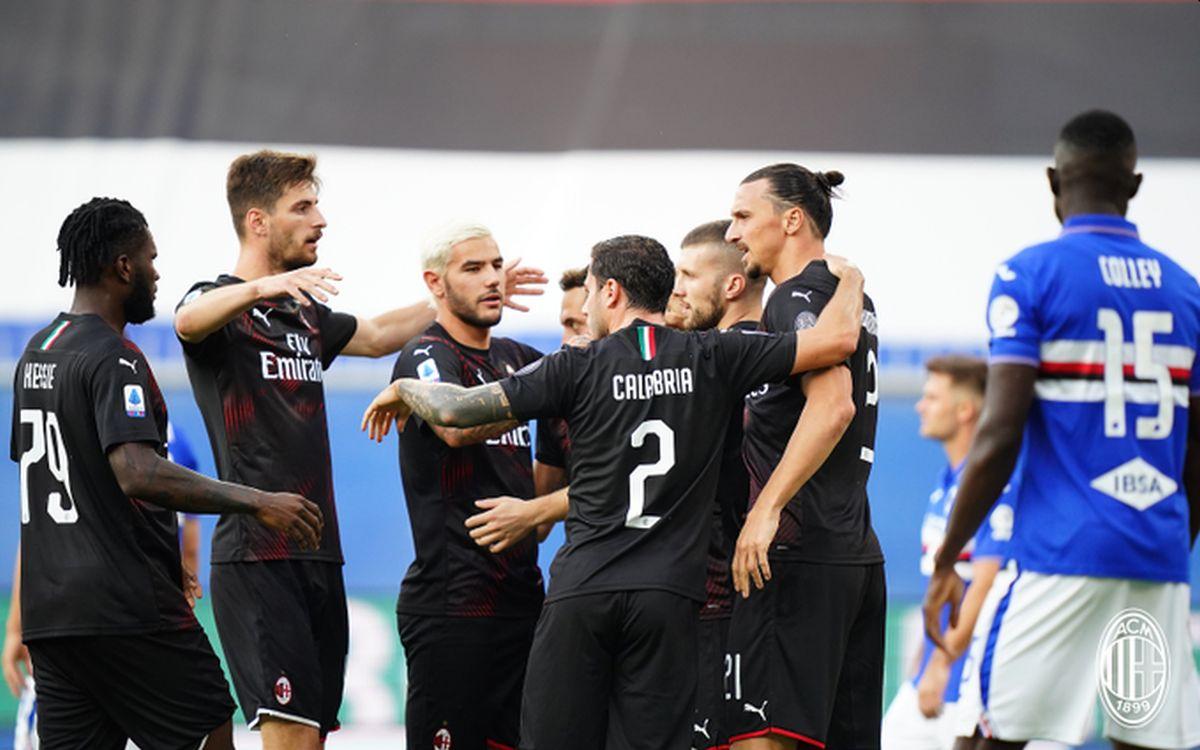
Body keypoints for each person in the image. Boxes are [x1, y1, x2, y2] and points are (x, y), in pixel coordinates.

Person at [361, 234, 865, 749]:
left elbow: (456, 412)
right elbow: (839, 339)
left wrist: (405, 388)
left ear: (609, 293)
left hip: (585, 591)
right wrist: (851, 280)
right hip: (669, 599)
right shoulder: (718, 353)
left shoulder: (575, 366)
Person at [173, 151, 545, 749]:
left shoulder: (302, 313)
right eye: (304, 207)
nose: (320, 220)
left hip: (320, 553)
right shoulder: (220, 303)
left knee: (312, 738)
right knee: (288, 736)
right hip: (258, 554)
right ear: (258, 222)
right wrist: (261, 285)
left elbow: (372, 337)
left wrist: (463, 291)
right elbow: (187, 323)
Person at [922, 110, 1200, 750]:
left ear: (1054, 181)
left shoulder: (1030, 274)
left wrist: (947, 559)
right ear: (1134, 186)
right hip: (1155, 558)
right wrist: (1167, 542)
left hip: (1060, 555)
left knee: (987, 738)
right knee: (1144, 742)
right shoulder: (1185, 292)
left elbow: (999, 431)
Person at [10, 197, 322, 750]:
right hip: (124, 606)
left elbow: (48, 487)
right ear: (122, 267)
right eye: (150, 259)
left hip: (51, 614)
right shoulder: (115, 357)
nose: (157, 273)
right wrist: (258, 501)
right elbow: (138, 472)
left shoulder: (38, 352)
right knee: (208, 722)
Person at [724, 163, 885, 750]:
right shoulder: (849, 297)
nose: (731, 233)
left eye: (743, 216)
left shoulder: (794, 297)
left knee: (761, 739)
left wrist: (766, 509)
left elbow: (834, 403)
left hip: (796, 553)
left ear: (791, 220)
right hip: (854, 553)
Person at [390, 222, 555, 750]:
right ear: (435, 284)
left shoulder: (517, 358)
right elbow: (454, 424)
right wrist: (542, 392)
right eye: (474, 268)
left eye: (497, 266)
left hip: (524, 600)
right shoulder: (426, 355)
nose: (493, 279)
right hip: (454, 604)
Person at [4, 420, 209, 749]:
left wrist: (17, 626)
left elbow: (39, 526)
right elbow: (190, 549)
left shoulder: (72, 419)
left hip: (73, 617)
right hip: (149, 624)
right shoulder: (174, 439)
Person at [881, 356, 1015, 750]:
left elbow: (986, 582)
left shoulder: (996, 488)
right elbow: (941, 587)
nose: (921, 406)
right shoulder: (946, 482)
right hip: (927, 683)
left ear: (964, 411)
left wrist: (942, 665)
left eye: (932, 398)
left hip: (969, 686)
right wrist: (921, 665)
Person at [669, 219, 768, 750]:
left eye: (687, 275)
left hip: (718, 592)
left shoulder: (713, 361)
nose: (676, 289)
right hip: (733, 590)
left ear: (732, 286)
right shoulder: (783, 348)